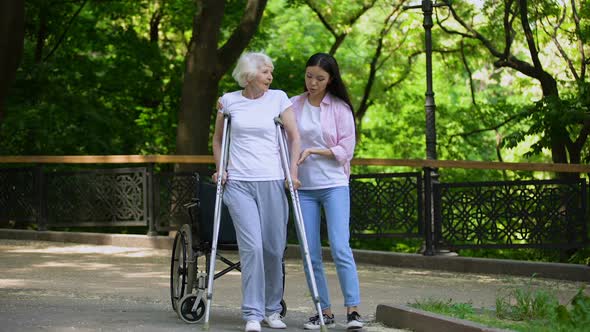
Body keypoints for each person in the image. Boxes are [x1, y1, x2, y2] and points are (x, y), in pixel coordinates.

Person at [212, 52, 301, 332]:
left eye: (271, 72)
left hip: (273, 180)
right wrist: (220, 168)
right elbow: (217, 140)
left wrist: (293, 172)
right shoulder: (228, 102)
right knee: (252, 248)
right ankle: (252, 313)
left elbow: (294, 136)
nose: (270, 77)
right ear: (249, 74)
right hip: (238, 183)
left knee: (273, 249)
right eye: (265, 72)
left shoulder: (278, 98)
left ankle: (272, 310)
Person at [290, 53, 363, 330]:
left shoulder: (340, 108)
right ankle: (324, 312)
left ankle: (353, 310)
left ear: (331, 79)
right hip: (303, 188)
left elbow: (346, 149)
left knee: (340, 246)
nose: (313, 82)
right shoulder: (293, 105)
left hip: (334, 185)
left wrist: (314, 150)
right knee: (310, 253)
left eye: (319, 78)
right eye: (309, 76)